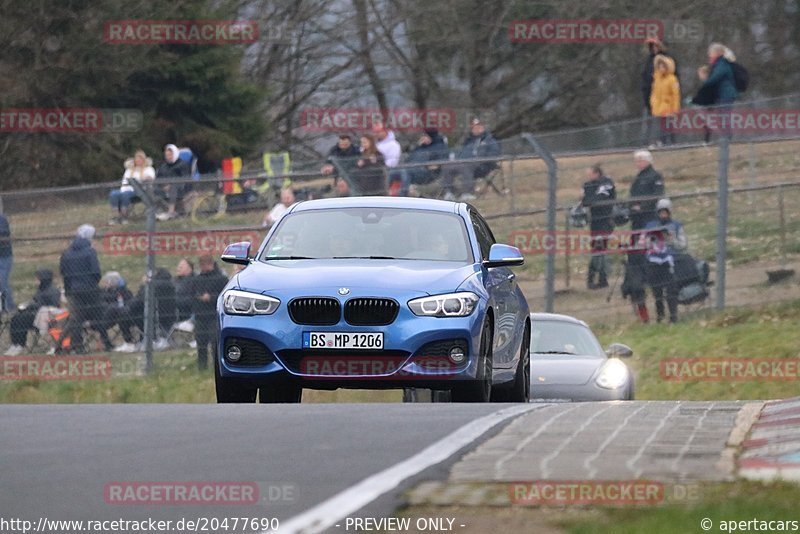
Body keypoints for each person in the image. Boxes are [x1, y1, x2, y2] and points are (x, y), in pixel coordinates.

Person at [58, 224, 107, 352]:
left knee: (76, 320)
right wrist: (93, 283)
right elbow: (96, 272)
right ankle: (106, 342)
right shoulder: (90, 251)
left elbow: (64, 273)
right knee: (99, 314)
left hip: (74, 290)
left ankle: (77, 345)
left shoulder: (66, 254)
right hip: (90, 289)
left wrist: (69, 289)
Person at [644, 198, 687, 324]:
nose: (663, 215)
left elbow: (683, 245)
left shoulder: (676, 226)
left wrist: (671, 240)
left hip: (670, 262)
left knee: (671, 291)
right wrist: (651, 240)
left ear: (670, 212)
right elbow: (642, 244)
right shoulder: (650, 226)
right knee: (657, 292)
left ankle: (673, 316)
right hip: (654, 262)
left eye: (665, 212)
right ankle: (660, 315)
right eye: (661, 212)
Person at [4, 268, 62, 356]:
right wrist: (26, 306)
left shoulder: (52, 291)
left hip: (45, 317)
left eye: (38, 278)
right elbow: (35, 301)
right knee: (16, 318)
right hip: (34, 314)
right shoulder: (41, 289)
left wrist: (32, 306)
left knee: (21, 320)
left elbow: (51, 307)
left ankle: (20, 344)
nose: (36, 280)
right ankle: (15, 344)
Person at [441, 117, 500, 201]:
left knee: (465, 166)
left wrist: (482, 160)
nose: (475, 129)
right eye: (473, 127)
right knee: (447, 166)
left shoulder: (490, 141)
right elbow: (460, 153)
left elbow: (494, 155)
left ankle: (468, 193)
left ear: (483, 127)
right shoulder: (468, 141)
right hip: (463, 163)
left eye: (478, 127)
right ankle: (449, 192)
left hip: (482, 166)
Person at [581, 165, 616, 289]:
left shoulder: (607, 183)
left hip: (605, 220)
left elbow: (600, 198)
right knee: (597, 249)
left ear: (597, 173)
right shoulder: (588, 185)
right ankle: (600, 279)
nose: (588, 177)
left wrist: (591, 200)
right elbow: (585, 201)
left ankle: (596, 279)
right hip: (594, 221)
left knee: (599, 249)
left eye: (590, 174)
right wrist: (590, 201)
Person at [192, 255, 229, 371]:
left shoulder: (221, 279)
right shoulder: (197, 279)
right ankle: (201, 367)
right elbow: (192, 294)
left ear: (211, 264)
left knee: (215, 343)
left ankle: (217, 367)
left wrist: (211, 298)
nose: (203, 267)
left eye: (205, 264)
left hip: (214, 315)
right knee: (201, 343)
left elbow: (224, 296)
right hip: (200, 315)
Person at [397, 128, 449, 196]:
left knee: (405, 172)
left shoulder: (439, 146)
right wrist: (418, 145)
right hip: (411, 169)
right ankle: (384, 195)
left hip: (426, 174)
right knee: (393, 172)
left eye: (425, 135)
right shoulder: (421, 147)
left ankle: (402, 196)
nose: (423, 137)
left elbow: (439, 163)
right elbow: (410, 158)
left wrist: (427, 166)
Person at [109, 150, 155, 225]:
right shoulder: (129, 170)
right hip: (125, 189)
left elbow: (151, 178)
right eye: (137, 159)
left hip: (140, 191)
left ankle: (124, 216)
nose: (138, 161)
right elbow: (125, 180)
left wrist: (145, 178)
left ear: (144, 160)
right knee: (113, 194)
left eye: (140, 159)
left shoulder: (148, 169)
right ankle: (117, 216)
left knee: (126, 195)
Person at [97, 271, 137, 353]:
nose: (105, 283)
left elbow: (130, 304)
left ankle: (128, 342)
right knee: (112, 311)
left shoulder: (125, 292)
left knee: (118, 312)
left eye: (107, 281)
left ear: (111, 282)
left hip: (122, 317)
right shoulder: (103, 293)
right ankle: (109, 344)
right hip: (106, 317)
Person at [629, 150, 665, 230]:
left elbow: (657, 194)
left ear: (648, 161)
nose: (637, 163)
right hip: (636, 215)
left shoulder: (655, 175)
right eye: (636, 161)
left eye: (640, 161)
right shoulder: (638, 176)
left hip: (650, 214)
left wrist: (642, 206)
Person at [650, 54, 681, 146]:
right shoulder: (657, 79)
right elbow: (654, 92)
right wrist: (653, 102)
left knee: (668, 125)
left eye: (663, 66)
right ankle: (661, 142)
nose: (661, 68)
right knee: (660, 125)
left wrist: (675, 109)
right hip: (658, 106)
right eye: (659, 66)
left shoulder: (672, 79)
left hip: (668, 106)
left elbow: (676, 95)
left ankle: (671, 142)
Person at [156, 144, 191, 221]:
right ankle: (158, 211)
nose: (168, 157)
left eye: (170, 155)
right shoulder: (163, 166)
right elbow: (158, 179)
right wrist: (163, 186)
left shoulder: (183, 164)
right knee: (153, 190)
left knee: (173, 187)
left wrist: (171, 185)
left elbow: (186, 178)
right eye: (167, 155)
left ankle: (171, 212)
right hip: (164, 188)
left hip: (181, 188)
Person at [0, 211, 12, 312]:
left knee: (2, 283)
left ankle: (8, 307)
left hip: (4, 256)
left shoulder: (1, 219)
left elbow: (4, 235)